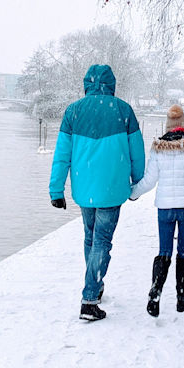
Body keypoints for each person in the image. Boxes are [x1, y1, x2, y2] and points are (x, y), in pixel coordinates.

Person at [49, 64, 145, 322]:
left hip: (84, 189)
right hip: (113, 189)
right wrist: (136, 184)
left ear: (87, 84)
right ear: (111, 85)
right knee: (102, 240)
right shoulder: (124, 111)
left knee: (91, 239)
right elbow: (138, 153)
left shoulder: (73, 111)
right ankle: (90, 298)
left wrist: (56, 189)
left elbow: (62, 155)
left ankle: (96, 284)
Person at [130, 104, 184, 317]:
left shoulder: (158, 148)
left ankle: (156, 292)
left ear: (168, 126)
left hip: (165, 209)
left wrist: (132, 193)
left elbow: (149, 180)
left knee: (164, 251)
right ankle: (181, 299)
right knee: (183, 251)